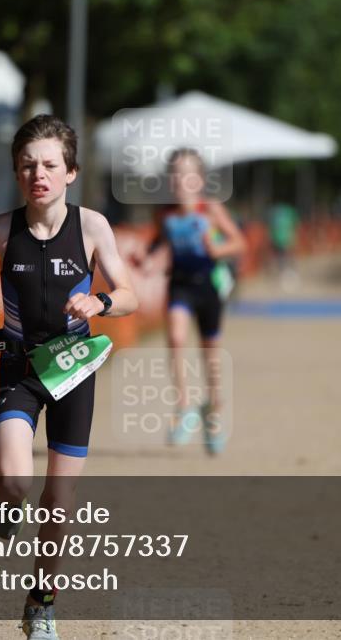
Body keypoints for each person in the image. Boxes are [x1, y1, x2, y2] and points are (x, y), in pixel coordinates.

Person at [0, 115, 138, 640]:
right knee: (14, 481)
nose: (39, 174)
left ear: (70, 172)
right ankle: (0, 492)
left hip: (74, 370)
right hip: (20, 365)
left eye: (50, 165)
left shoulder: (93, 227)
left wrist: (99, 302)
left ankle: (41, 603)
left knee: (58, 503)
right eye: (28, 165)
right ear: (17, 173)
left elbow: (130, 295)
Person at [140, 148, 246, 455]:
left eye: (188, 173)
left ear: (199, 179)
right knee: (174, 337)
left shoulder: (209, 209)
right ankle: (184, 406)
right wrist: (147, 259)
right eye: (175, 172)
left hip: (208, 288)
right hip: (180, 285)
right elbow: (159, 242)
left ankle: (213, 414)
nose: (181, 179)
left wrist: (218, 251)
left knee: (210, 355)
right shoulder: (165, 213)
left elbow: (239, 242)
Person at [267, 200, 300, 290]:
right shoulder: (287, 212)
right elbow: (295, 225)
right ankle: (284, 274)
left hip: (282, 239)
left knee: (285, 258)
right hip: (281, 239)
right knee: (283, 258)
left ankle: (288, 274)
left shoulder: (277, 212)